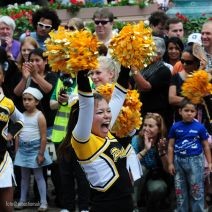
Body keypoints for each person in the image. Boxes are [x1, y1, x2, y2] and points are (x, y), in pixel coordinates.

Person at [71, 66, 135, 211]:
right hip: (105, 206)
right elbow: (86, 104)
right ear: (86, 118)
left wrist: (125, 67)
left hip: (126, 203)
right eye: (100, 112)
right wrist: (81, 72)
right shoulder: (83, 141)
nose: (107, 115)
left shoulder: (106, 132)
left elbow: (119, 95)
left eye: (108, 111)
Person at [168, 98, 212, 212]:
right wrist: (170, 163)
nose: (189, 113)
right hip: (178, 161)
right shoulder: (175, 127)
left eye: (192, 111)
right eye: (186, 110)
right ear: (180, 111)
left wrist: (210, 162)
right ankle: (182, 209)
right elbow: (170, 146)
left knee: (196, 190)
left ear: (196, 113)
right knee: (180, 190)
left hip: (196, 162)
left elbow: (206, 146)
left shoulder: (200, 127)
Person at [14, 87, 52, 211]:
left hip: (35, 149)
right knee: (24, 177)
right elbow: (18, 135)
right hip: (23, 150)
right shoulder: (21, 115)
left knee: (39, 176)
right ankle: (22, 200)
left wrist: (41, 153)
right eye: (24, 99)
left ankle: (43, 202)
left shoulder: (39, 116)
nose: (26, 102)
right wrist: (17, 150)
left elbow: (43, 137)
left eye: (30, 99)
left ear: (36, 102)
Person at [131, 36, 172, 129]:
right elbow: (131, 84)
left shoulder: (164, 70)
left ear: (159, 54)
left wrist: (133, 68)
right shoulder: (143, 67)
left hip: (157, 116)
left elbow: (146, 87)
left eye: (149, 51)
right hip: (141, 111)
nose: (145, 54)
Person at [131, 113, 170, 211]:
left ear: (159, 129)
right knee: (142, 169)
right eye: (145, 125)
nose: (146, 128)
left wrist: (162, 153)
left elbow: (168, 169)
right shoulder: (137, 139)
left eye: (150, 126)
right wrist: (145, 149)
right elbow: (131, 165)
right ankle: (134, 207)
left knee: (159, 188)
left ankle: (150, 208)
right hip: (137, 180)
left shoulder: (163, 142)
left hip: (154, 178)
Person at [0, 61, 24, 212]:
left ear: (2, 78)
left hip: (2, 159)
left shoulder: (7, 103)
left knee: (7, 207)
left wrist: (10, 133)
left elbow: (21, 120)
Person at [169, 42, 206, 122]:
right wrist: (194, 100)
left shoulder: (204, 78)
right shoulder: (176, 77)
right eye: (182, 61)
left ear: (197, 62)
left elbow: (205, 99)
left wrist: (199, 72)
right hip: (180, 121)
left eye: (189, 62)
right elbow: (172, 99)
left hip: (199, 120)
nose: (184, 64)